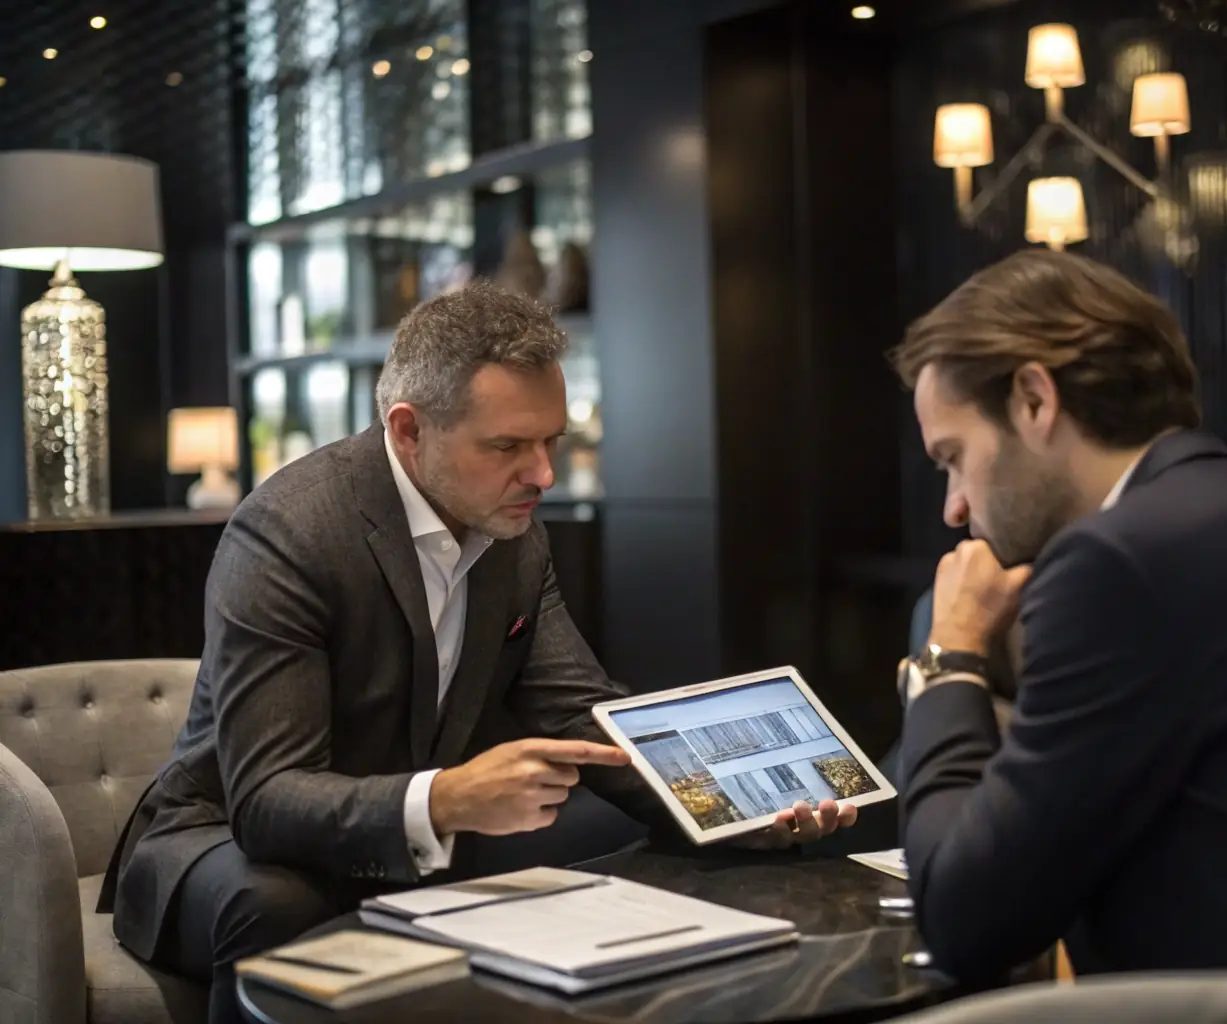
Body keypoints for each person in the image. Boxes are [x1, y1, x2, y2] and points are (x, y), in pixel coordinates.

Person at [99, 280, 857, 1024]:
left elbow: (579, 714)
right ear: (408, 430)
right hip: (219, 837)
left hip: (408, 827)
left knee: (640, 830)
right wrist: (448, 798)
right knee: (276, 900)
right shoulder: (287, 534)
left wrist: (733, 809)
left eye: (550, 441)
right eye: (507, 446)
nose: (543, 475)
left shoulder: (512, 534)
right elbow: (266, 800)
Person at [888, 249, 1227, 983]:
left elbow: (966, 917)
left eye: (953, 457)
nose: (953, 506)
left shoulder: (1114, 563)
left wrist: (947, 657)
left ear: (1034, 401)